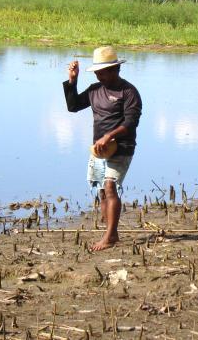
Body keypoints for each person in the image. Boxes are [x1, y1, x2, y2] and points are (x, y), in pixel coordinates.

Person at [63, 46, 142, 251]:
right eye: (97, 72)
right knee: (101, 191)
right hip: (99, 149)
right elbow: (73, 106)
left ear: (115, 69)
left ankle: (109, 236)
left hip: (121, 147)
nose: (99, 76)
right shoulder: (95, 90)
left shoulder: (129, 92)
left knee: (110, 186)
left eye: (102, 72)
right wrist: (73, 81)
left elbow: (131, 122)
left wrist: (109, 136)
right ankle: (111, 233)